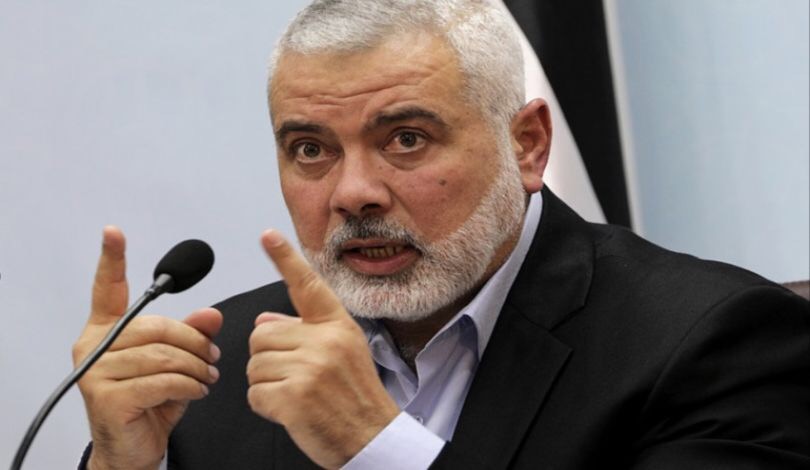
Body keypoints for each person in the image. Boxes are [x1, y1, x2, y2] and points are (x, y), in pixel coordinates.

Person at [72, 0, 810, 469]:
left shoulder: (712, 343)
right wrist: (120, 464)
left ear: (527, 145)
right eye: (310, 149)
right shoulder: (221, 361)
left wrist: (378, 450)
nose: (353, 193)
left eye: (406, 139)